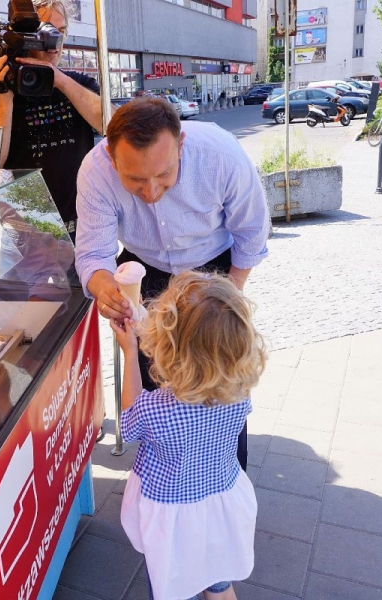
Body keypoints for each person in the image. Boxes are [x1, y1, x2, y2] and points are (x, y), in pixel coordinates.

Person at [75, 97, 270, 471]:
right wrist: (104, 290)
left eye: (164, 174)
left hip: (215, 269)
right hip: (146, 270)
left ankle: (229, 472)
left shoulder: (221, 154)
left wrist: (225, 299)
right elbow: (93, 255)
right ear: (111, 156)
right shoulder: (95, 171)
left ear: (180, 145)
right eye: (134, 179)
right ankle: (166, 473)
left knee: (219, 381)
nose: (150, 192)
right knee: (155, 381)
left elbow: (251, 233)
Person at [111, 271, 264, 600]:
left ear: (167, 348)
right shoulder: (239, 394)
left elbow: (130, 422)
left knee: (171, 587)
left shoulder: (157, 410)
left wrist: (130, 352)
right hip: (221, 507)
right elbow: (199, 349)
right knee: (219, 586)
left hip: (173, 521)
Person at [0, 0, 104, 240]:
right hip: (26, 234)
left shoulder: (79, 85)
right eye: (45, 31)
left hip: (81, 228)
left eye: (60, 32)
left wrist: (60, 80)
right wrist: (5, 101)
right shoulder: (1, 90)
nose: (54, 43)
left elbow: (110, 125)